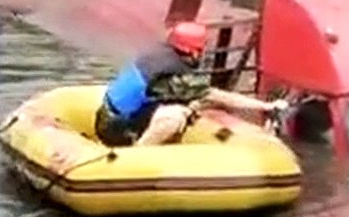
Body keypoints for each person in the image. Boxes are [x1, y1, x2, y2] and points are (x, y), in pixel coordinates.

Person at [94, 21, 288, 147]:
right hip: (117, 130)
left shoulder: (158, 56)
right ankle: (137, 156)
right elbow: (218, 96)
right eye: (201, 50)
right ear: (193, 52)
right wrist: (266, 106)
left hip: (108, 117)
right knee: (176, 115)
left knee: (187, 106)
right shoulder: (175, 76)